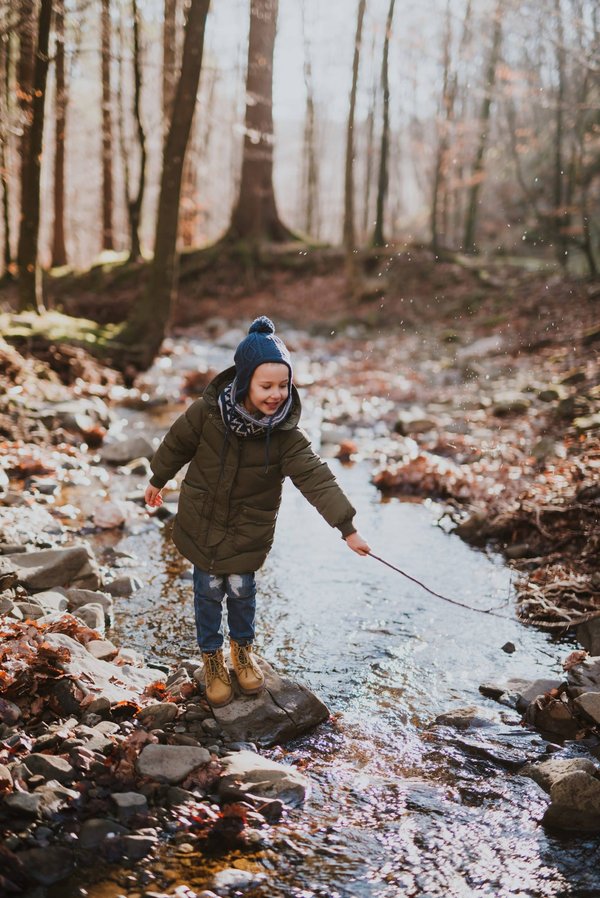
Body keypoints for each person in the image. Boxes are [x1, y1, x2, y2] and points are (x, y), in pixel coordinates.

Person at [145, 316, 370, 708]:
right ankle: (211, 658)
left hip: (248, 531)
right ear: (244, 380)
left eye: (284, 385)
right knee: (207, 592)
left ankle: (242, 651)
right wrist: (158, 478)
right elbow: (176, 444)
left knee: (241, 591)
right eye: (266, 386)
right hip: (202, 522)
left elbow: (317, 479)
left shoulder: (286, 437)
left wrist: (347, 528)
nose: (276, 394)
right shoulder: (207, 413)